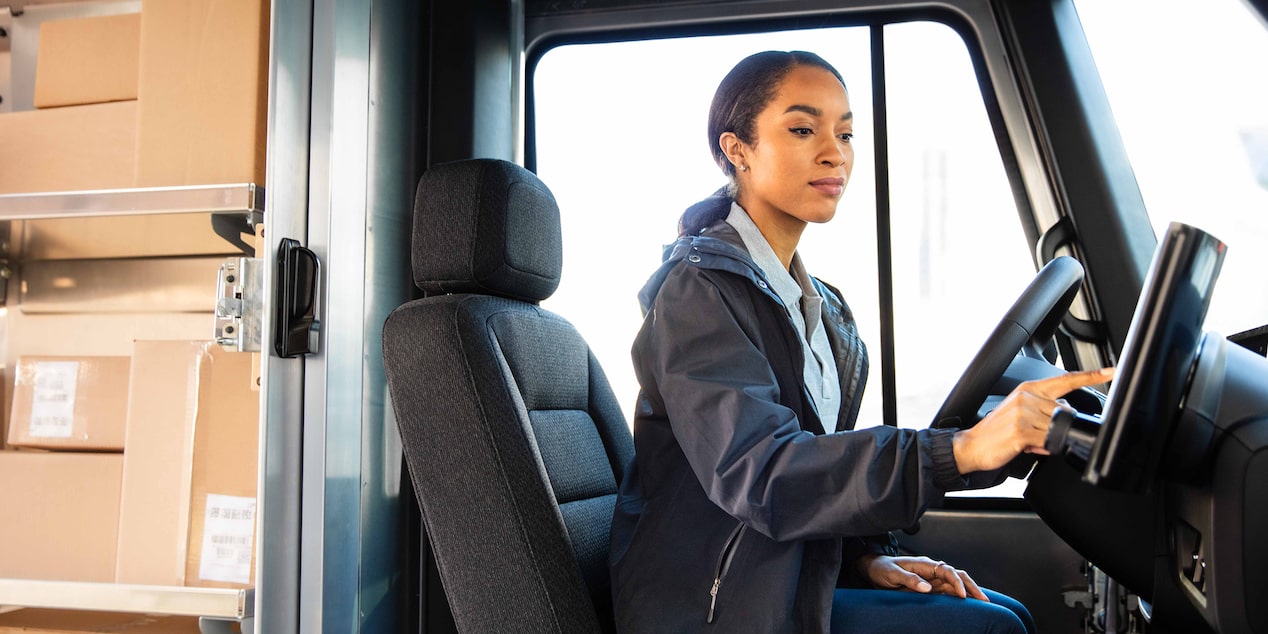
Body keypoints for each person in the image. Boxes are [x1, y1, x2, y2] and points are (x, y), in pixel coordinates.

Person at [607, 50, 1114, 633]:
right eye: (803, 129)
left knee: (1002, 613)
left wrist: (864, 557)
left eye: (845, 133)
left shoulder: (820, 303)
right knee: (994, 630)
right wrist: (962, 450)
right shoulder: (696, 294)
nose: (835, 153)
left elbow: (814, 467)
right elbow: (764, 474)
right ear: (736, 149)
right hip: (713, 608)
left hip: (784, 573)